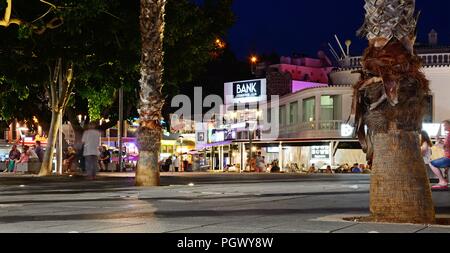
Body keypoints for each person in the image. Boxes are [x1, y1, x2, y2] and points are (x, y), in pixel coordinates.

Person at [430, 120, 450, 189]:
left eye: (444, 125)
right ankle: (444, 180)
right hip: (447, 156)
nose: (443, 127)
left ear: (448, 125)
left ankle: (442, 181)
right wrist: (440, 141)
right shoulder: (448, 135)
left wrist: (438, 144)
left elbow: (444, 147)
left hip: (448, 158)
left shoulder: (449, 135)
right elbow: (447, 145)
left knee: (431, 163)